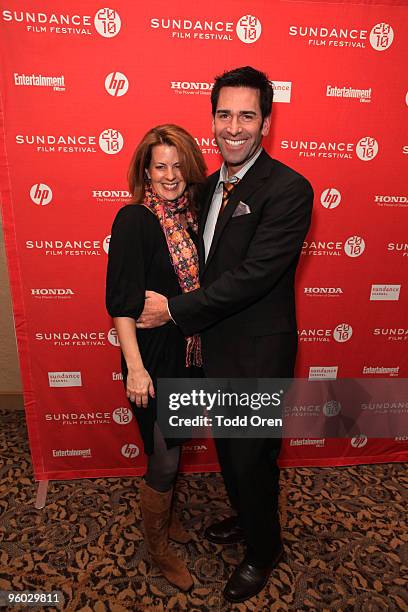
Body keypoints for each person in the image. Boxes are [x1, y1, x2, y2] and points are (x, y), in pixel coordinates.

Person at [137, 66, 314, 603]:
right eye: (224, 114)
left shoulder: (289, 189)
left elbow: (254, 275)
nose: (234, 126)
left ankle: (265, 550)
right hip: (210, 348)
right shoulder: (208, 186)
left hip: (256, 353)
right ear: (211, 119)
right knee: (233, 453)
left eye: (247, 115)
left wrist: (173, 311)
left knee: (252, 457)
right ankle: (247, 519)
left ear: (266, 122)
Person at [106, 124, 206, 591]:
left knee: (174, 446)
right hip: (151, 357)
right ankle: (158, 546)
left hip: (187, 352)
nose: (169, 175)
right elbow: (122, 304)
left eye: (177, 165)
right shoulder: (135, 220)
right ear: (146, 169)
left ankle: (164, 522)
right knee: (164, 458)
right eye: (159, 165)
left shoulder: (191, 219)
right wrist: (137, 370)